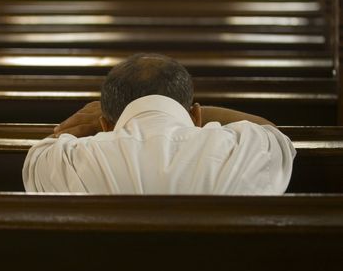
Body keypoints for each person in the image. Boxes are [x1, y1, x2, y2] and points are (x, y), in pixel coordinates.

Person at [23, 53, 295, 194]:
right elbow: (273, 133)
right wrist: (190, 113)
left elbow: (46, 147)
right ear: (196, 116)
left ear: (104, 124)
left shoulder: (67, 160)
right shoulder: (243, 149)